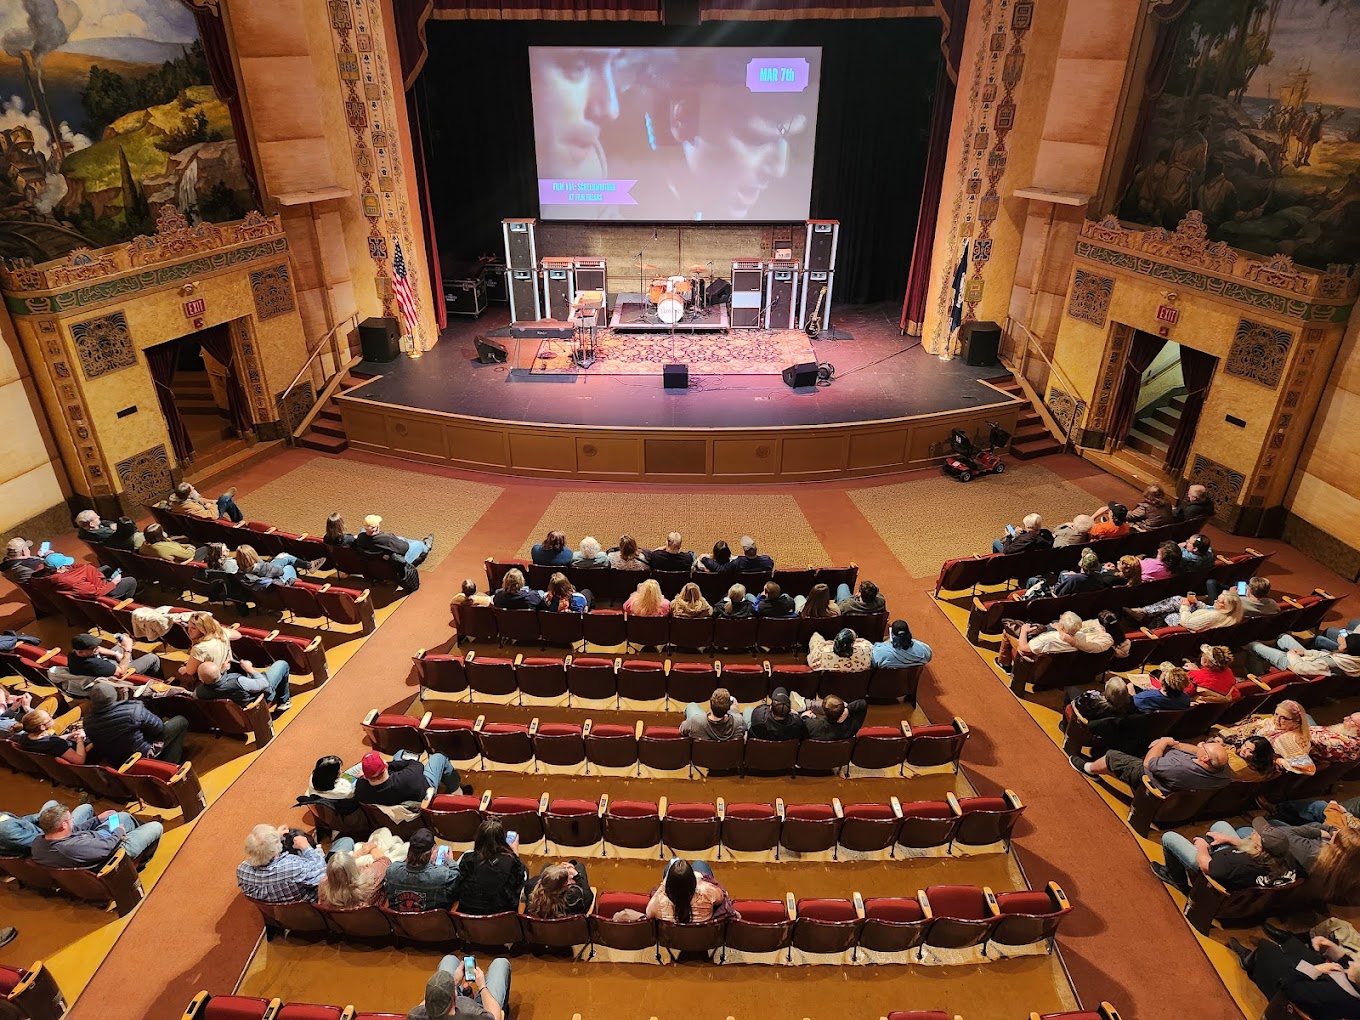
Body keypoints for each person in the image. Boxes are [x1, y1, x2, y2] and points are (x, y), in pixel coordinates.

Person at [1230, 931, 1360, 1020]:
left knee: (1266, 949)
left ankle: (1249, 960)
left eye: (1357, 961)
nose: (1353, 961)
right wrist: (1333, 948)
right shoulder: (1355, 986)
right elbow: (1351, 968)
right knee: (1299, 949)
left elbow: (1288, 985)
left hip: (1287, 990)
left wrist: (1315, 969)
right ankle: (1285, 941)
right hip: (1317, 983)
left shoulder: (1331, 996)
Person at [1153, 820, 1294, 894]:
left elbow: (1206, 866)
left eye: (1256, 834)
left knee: (1169, 837)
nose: (1253, 832)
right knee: (1221, 825)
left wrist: (1202, 847)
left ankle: (1176, 880)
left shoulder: (1239, 864)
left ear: (1258, 847)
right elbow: (1253, 849)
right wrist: (1227, 839)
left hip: (1212, 871)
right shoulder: (1283, 858)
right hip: (1233, 864)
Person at [1072, 735, 1231, 792]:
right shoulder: (1223, 773)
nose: (1201, 744)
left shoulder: (1178, 768)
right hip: (1167, 774)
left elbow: (1149, 763)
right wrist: (1173, 744)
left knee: (1113, 756)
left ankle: (1089, 769)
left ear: (1205, 759)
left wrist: (1162, 743)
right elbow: (1194, 750)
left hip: (1149, 779)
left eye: (1204, 746)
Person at [83, 681, 188, 766]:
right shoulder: (133, 709)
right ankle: (171, 762)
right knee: (180, 721)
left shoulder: (87, 721)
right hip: (143, 755)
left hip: (118, 762)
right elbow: (159, 727)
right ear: (114, 695)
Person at [31, 801, 162, 869]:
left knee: (121, 816)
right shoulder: (72, 847)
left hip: (96, 841)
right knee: (156, 827)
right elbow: (107, 846)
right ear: (63, 825)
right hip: (114, 853)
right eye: (70, 819)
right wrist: (118, 832)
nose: (72, 821)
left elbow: (75, 829)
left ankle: (139, 829)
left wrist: (97, 819)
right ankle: (138, 864)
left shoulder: (39, 841)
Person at [1218, 701, 1314, 775]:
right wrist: (1228, 733)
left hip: (1258, 764)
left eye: (1284, 718)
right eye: (1276, 714)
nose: (1277, 719)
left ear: (1297, 721)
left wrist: (1279, 761)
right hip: (1247, 746)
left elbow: (1308, 768)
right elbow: (1257, 724)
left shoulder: (1288, 739)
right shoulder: (1276, 723)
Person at [237, 823, 327, 902]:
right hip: (305, 908)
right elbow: (322, 870)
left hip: (276, 912)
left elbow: (261, 849)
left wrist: (272, 838)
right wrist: (306, 847)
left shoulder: (242, 870)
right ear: (275, 848)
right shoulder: (294, 866)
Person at [456, 818, 527, 915]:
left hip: (468, 917)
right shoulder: (512, 861)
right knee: (525, 871)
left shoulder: (467, 859)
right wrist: (515, 853)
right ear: (502, 839)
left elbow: (459, 883)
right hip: (503, 916)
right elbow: (520, 881)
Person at [406, 955, 510, 1020]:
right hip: (482, 1008)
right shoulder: (473, 1016)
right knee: (501, 963)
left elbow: (423, 1005)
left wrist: (455, 982)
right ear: (455, 996)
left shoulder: (415, 1016)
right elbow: (495, 1017)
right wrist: (482, 986)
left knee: (449, 959)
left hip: (452, 1004)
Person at [386, 827, 460, 912]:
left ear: (409, 850)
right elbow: (456, 876)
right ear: (432, 851)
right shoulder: (443, 876)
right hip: (432, 920)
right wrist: (450, 861)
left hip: (398, 920)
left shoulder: (392, 871)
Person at [355, 750, 463, 806]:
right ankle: (457, 793)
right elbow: (417, 765)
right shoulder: (407, 777)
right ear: (385, 766)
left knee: (400, 753)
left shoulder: (360, 789)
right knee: (439, 757)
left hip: (399, 804)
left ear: (365, 775)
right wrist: (388, 764)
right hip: (425, 793)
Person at [645, 857, 733, 923]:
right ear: (693, 882)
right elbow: (721, 896)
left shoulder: (658, 903)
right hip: (702, 938)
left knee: (671, 866)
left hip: (673, 940)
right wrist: (700, 881)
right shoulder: (707, 892)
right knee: (700, 864)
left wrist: (664, 883)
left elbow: (648, 914)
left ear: (668, 884)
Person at [1247, 632, 1360, 680]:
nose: (1342, 640)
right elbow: (1325, 655)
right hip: (1307, 660)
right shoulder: (1352, 659)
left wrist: (1292, 655)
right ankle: (1272, 659)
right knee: (1284, 637)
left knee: (1253, 645)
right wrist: (1305, 653)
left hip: (1294, 666)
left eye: (1345, 642)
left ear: (1348, 648)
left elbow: (1300, 668)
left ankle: (1260, 678)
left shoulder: (1330, 663)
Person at [197, 659, 291, 714]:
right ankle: (283, 702)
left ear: (201, 679)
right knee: (282, 664)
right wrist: (249, 669)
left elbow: (214, 683)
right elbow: (264, 683)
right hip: (255, 706)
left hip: (232, 717)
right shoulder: (239, 682)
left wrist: (221, 671)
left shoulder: (199, 693)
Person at [1126, 589, 1244, 631]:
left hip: (1187, 627)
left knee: (1169, 614)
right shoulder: (1228, 614)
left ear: (1226, 607)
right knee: (1177, 599)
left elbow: (1188, 623)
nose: (1215, 601)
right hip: (1194, 618)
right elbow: (1207, 609)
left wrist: (1185, 607)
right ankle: (1144, 613)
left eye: (1219, 601)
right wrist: (1196, 603)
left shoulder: (1215, 616)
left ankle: (1144, 614)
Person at [0, 799, 86, 856]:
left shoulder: (3, 818)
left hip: (37, 829)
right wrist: (50, 823)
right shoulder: (8, 832)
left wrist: (42, 818)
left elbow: (22, 820)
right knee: (85, 808)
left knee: (51, 803)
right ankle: (83, 834)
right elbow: (41, 842)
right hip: (50, 835)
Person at [67, 631, 163, 680]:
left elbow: (99, 649)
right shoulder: (93, 664)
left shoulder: (74, 653)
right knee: (153, 658)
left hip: (107, 665)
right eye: (93, 648)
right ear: (81, 652)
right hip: (119, 675)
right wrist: (127, 650)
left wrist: (116, 654)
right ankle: (159, 682)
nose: (97, 648)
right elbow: (121, 672)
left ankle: (134, 664)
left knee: (119, 647)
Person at [319, 844, 391, 909]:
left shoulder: (323, 888)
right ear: (354, 867)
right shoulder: (371, 881)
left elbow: (338, 869)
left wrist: (357, 854)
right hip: (370, 917)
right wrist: (372, 847)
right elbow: (385, 861)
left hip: (339, 919)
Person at [32, 558, 137, 600]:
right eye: (66, 565)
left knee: (106, 568)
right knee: (131, 580)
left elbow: (75, 567)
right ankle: (128, 601)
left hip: (88, 587)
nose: (69, 566)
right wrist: (114, 583)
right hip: (104, 594)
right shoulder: (71, 581)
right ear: (59, 569)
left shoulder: (45, 577)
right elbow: (96, 593)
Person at [178, 612, 240, 680]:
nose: (189, 631)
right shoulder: (222, 633)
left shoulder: (199, 648)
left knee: (181, 670)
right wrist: (219, 628)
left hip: (210, 679)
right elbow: (238, 635)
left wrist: (185, 668)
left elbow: (190, 671)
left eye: (193, 628)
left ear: (203, 629)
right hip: (226, 671)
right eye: (188, 627)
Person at [354, 514, 434, 566]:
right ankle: (426, 547)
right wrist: (396, 539)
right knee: (418, 544)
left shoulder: (360, 538)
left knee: (401, 538)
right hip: (395, 563)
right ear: (377, 527)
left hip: (377, 564)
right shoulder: (387, 540)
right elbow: (405, 548)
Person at [14, 710, 88, 765]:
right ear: (42, 727)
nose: (52, 715)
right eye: (49, 717)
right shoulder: (56, 744)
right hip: (82, 756)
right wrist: (80, 740)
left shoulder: (24, 738)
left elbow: (51, 741)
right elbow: (80, 761)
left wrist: (69, 735)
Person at [524, 859, 593, 917]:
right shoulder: (572, 898)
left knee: (547, 864)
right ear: (564, 885)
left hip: (540, 928)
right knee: (580, 866)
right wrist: (576, 875)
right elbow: (588, 895)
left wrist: (558, 871)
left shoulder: (530, 888)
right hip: (566, 929)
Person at [234, 544, 325, 585]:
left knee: (283, 555)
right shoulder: (262, 567)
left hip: (268, 578)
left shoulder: (240, 573)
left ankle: (309, 566)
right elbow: (279, 571)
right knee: (289, 565)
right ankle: (309, 566)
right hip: (278, 582)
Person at [680, 687, 745, 741]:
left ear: (710, 702)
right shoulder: (739, 722)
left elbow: (682, 729)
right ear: (729, 707)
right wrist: (735, 710)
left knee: (692, 705)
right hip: (729, 753)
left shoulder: (695, 722)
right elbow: (743, 726)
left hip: (703, 752)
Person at [803, 693, 869, 741]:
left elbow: (801, 724)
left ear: (823, 711)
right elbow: (862, 703)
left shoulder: (812, 726)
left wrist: (805, 716)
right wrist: (848, 709)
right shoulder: (853, 724)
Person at [169, 482, 243, 522]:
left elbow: (198, 499)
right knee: (226, 500)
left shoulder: (181, 500)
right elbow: (212, 516)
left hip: (206, 512)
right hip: (211, 522)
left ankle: (224, 498)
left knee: (225, 500)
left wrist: (212, 502)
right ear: (189, 495)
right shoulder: (190, 508)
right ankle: (239, 521)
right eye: (192, 489)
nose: (194, 488)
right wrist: (211, 506)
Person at [807, 628, 872, 672]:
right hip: (856, 686)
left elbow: (810, 660)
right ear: (852, 643)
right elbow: (866, 642)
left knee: (815, 636)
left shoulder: (821, 654)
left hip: (828, 687)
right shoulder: (864, 653)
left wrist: (823, 644)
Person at [74, 511, 143, 550]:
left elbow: (104, 522)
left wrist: (111, 525)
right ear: (91, 524)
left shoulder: (84, 531)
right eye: (96, 517)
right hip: (127, 545)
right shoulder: (103, 534)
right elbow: (127, 532)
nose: (99, 517)